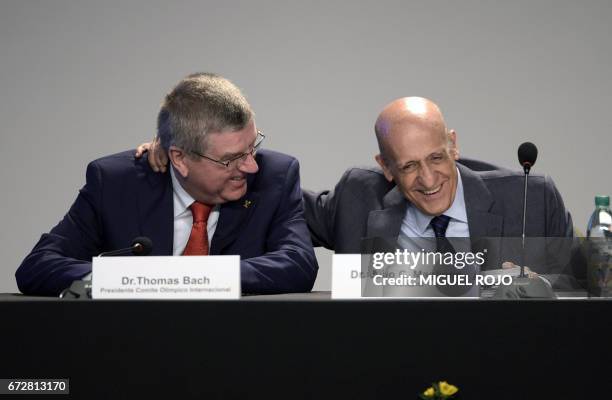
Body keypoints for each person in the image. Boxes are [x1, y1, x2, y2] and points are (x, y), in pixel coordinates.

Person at [137, 96, 575, 281]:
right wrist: (185, 157)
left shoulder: (529, 199)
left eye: (436, 158)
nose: (427, 180)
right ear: (385, 167)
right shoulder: (357, 197)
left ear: (454, 145)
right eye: (407, 166)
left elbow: (581, 294)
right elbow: (273, 199)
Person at [16, 72, 318, 296]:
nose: (250, 165)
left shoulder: (274, 176)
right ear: (179, 158)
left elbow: (298, 263)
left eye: (253, 148)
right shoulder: (114, 183)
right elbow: (38, 266)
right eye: (231, 159)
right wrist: (132, 279)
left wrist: (187, 277)